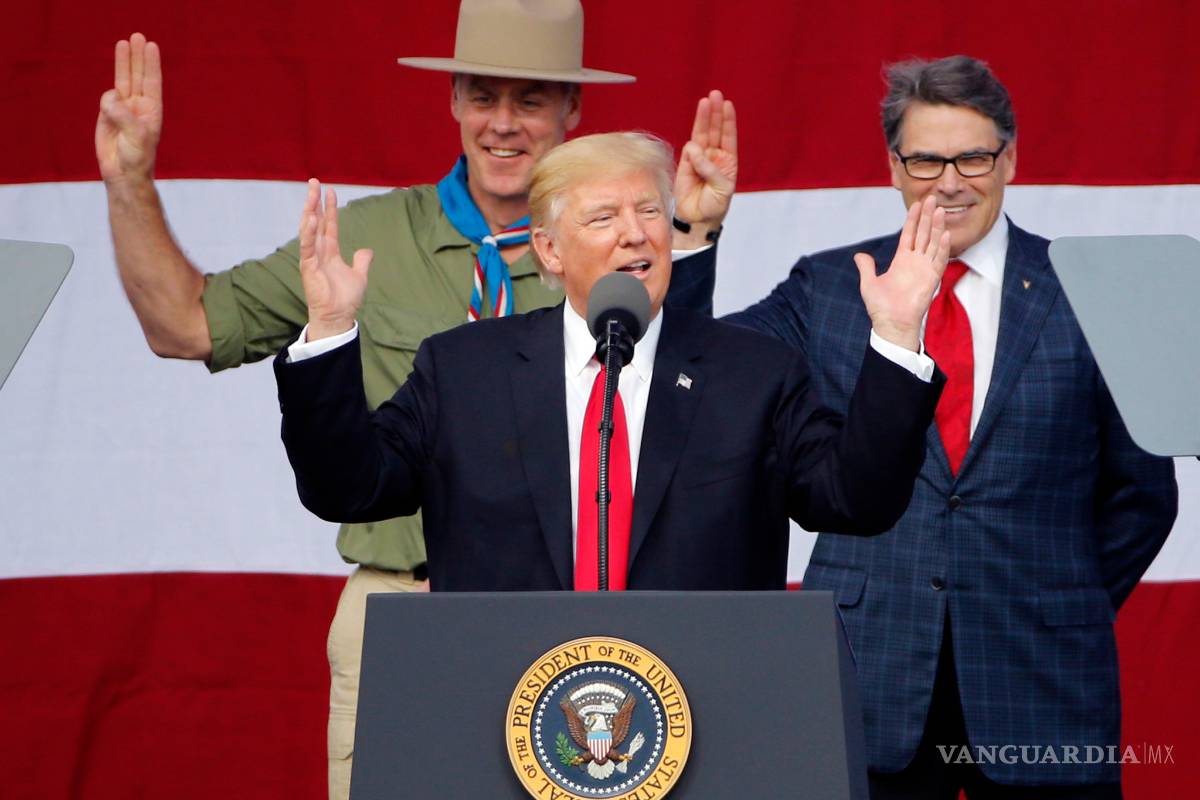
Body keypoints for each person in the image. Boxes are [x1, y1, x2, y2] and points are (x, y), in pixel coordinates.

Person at [92, 3, 734, 796]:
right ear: (454, 98)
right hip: (399, 606)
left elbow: (681, 406)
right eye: (482, 96)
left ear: (572, 107)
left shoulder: (613, 246)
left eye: (531, 99)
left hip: (576, 621)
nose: (503, 123)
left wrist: (691, 237)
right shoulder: (368, 237)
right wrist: (128, 180)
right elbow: (185, 326)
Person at [727, 55, 1178, 798]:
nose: (949, 182)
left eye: (973, 157)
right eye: (926, 160)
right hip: (870, 675)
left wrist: (1058, 596)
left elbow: (1143, 496)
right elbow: (705, 363)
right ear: (893, 167)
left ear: (1010, 160)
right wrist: (692, 237)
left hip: (1043, 677)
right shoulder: (829, 287)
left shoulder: (1091, 290)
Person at [274, 131, 948, 597]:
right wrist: (330, 328)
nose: (636, 233)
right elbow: (348, 490)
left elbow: (855, 501)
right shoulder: (462, 371)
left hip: (702, 705)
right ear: (550, 250)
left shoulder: (755, 374)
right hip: (508, 705)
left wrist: (895, 337)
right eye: (603, 218)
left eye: (650, 210)